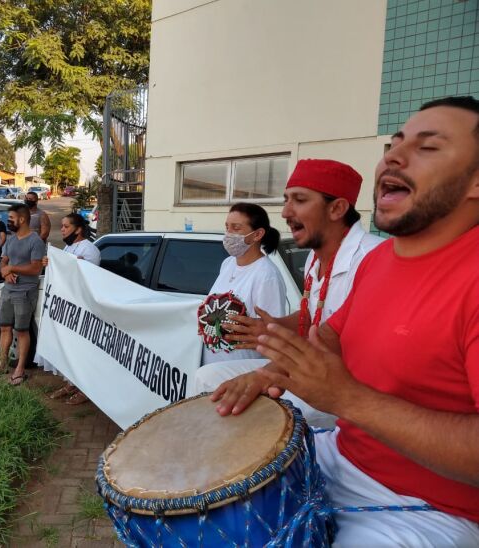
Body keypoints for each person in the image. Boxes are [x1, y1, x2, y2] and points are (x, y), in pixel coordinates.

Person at [211, 97, 479, 545]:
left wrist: (348, 399)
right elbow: (330, 335)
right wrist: (267, 372)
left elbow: (342, 393)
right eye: (394, 144)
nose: (392, 156)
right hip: (341, 455)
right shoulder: (382, 262)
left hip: (432, 510)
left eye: (428, 147)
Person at [195, 160, 383, 411]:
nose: (284, 212)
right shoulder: (315, 257)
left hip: (349, 385)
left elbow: (338, 335)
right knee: (205, 378)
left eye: (300, 200)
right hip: (309, 366)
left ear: (337, 208)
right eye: (286, 200)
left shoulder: (373, 257)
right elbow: (312, 315)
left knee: (254, 412)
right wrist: (271, 326)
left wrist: (267, 373)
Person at [197, 203, 286, 370]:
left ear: (257, 234)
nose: (228, 234)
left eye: (236, 228)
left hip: (241, 372)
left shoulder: (267, 275)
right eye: (227, 227)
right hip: (212, 366)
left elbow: (272, 333)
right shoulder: (228, 264)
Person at [43, 213, 101, 404]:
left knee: (83, 351)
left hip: (82, 308)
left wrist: (76, 265)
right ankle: (71, 382)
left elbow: (88, 277)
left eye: (66, 226)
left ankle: (86, 389)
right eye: (62, 226)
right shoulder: (69, 247)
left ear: (78, 229)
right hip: (68, 306)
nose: (62, 230)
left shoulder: (90, 250)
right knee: (70, 349)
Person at [0, 204, 45, 385]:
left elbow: (36, 268)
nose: (8, 222)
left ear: (22, 219)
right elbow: (3, 262)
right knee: (5, 327)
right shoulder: (11, 240)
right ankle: (1, 364)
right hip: (8, 290)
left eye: (11, 219)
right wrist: (6, 272)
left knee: (22, 330)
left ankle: (20, 369)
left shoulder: (35, 241)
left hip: (25, 292)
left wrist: (12, 268)